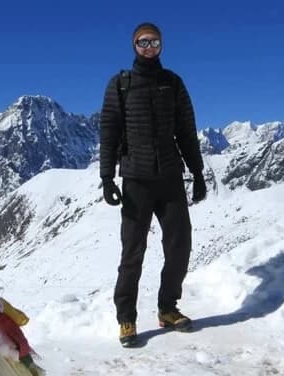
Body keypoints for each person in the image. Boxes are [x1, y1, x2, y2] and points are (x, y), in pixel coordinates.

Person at [98, 21, 207, 348]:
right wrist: (106, 177)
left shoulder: (172, 84)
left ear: (161, 46)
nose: (149, 48)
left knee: (179, 245)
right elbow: (109, 132)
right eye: (143, 43)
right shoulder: (120, 85)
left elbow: (186, 131)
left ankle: (167, 308)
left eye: (155, 43)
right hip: (136, 179)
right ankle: (126, 319)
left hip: (170, 177)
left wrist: (197, 172)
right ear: (134, 46)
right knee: (133, 251)